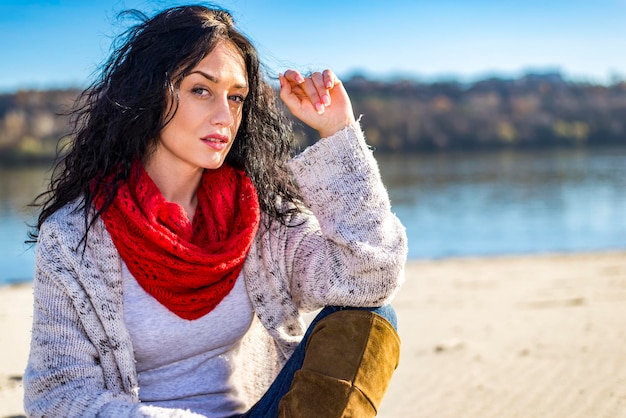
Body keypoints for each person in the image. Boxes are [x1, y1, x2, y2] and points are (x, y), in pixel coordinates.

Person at [23, 4, 407, 418]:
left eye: (236, 97)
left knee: (371, 319)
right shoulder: (74, 234)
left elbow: (370, 277)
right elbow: (56, 396)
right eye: (201, 90)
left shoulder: (262, 217)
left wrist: (337, 133)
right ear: (150, 94)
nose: (225, 116)